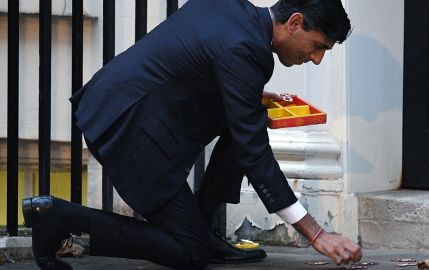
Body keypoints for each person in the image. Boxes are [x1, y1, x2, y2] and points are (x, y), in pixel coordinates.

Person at [22, 0, 361, 269]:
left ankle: (205, 227)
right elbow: (254, 154)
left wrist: (246, 97)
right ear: (295, 22)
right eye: (318, 46)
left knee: (250, 118)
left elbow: (192, 62)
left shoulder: (228, 8)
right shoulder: (246, 49)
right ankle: (59, 218)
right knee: (191, 252)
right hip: (129, 132)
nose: (316, 59)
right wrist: (316, 234)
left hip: (115, 105)